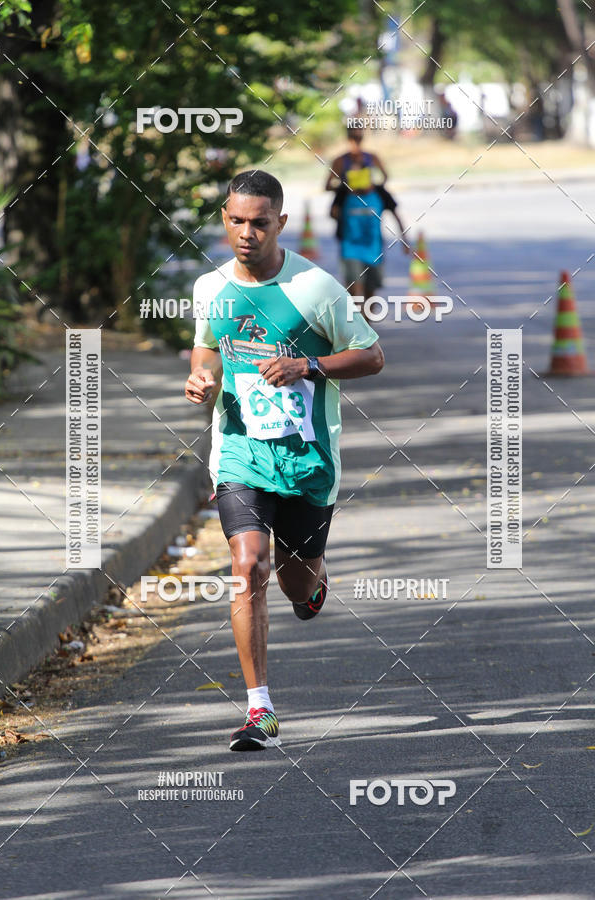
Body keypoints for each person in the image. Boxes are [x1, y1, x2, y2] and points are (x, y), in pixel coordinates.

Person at [184, 170, 384, 751]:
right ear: (225, 218)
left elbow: (372, 356)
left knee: (297, 584)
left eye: (260, 223)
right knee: (248, 567)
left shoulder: (316, 288)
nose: (247, 233)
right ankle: (260, 710)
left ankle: (313, 587)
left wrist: (310, 366)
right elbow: (207, 349)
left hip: (306, 460)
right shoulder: (209, 287)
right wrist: (201, 379)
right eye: (237, 221)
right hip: (239, 453)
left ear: (281, 224)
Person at [325, 126, 408, 304]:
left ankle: (366, 326)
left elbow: (396, 212)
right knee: (354, 290)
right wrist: (345, 187)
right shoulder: (340, 167)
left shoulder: (378, 188)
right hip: (350, 246)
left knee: (371, 292)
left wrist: (405, 240)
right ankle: (356, 328)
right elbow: (329, 197)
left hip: (374, 247)